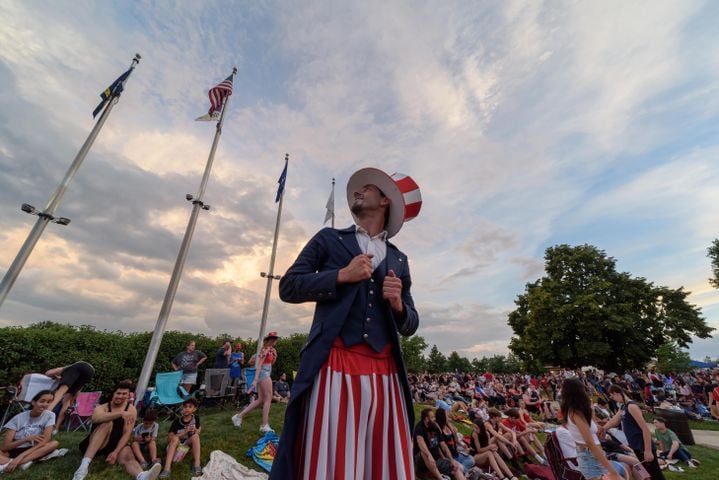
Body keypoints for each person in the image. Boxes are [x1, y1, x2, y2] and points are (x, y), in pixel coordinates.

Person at [269, 167, 422, 480]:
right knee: (334, 461)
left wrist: (397, 305)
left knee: (383, 463)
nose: (357, 191)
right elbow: (288, 286)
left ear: (384, 201)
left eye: (366, 188)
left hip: (385, 373)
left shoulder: (399, 259)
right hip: (334, 363)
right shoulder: (329, 239)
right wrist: (341, 275)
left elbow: (411, 324)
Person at [72, 380, 161, 480]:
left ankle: (141, 476)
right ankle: (83, 468)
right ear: (113, 394)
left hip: (115, 443)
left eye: (124, 394)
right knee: (107, 423)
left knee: (128, 455)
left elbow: (126, 434)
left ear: (128, 396)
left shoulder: (131, 410)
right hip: (97, 443)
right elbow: (96, 418)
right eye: (118, 393)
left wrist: (116, 452)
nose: (120, 396)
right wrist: (120, 414)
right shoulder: (103, 407)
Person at [561, 378, 622, 480]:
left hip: (593, 455)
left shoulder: (577, 410)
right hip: (590, 456)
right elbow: (590, 443)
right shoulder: (575, 412)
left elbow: (594, 428)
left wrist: (592, 411)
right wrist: (612, 471)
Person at [605, 384, 665, 479]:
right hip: (636, 446)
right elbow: (614, 421)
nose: (612, 399)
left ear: (616, 393)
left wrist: (648, 450)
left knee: (655, 474)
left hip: (643, 446)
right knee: (647, 472)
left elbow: (645, 429)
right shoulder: (623, 407)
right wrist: (603, 429)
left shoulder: (631, 406)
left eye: (612, 396)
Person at [0, 390, 60, 474]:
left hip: (34, 449)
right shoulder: (18, 418)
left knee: (54, 443)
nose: (45, 404)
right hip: (15, 449)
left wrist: (20, 457)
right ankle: (23, 462)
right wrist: (26, 439)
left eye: (49, 402)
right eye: (42, 401)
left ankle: (13, 463)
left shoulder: (50, 415)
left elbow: (45, 440)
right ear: (34, 402)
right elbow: (5, 447)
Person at [231, 332, 279, 432]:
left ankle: (238, 417)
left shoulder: (271, 350)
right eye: (273, 339)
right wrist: (255, 380)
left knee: (261, 399)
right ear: (269, 339)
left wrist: (275, 356)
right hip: (264, 374)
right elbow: (259, 365)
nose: (274, 341)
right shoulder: (265, 350)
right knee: (268, 399)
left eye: (275, 339)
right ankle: (264, 425)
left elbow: (270, 363)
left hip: (266, 373)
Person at [414, 408, 466, 480]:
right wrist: (430, 456)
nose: (434, 419)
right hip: (422, 460)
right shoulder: (420, 427)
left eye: (434, 416)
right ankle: (440, 478)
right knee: (424, 453)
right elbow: (421, 444)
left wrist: (451, 460)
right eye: (432, 417)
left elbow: (443, 445)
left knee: (457, 467)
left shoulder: (435, 427)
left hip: (437, 459)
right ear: (426, 419)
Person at [45, 361, 95, 432]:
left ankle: (45, 416)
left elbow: (48, 373)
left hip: (81, 365)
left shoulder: (67, 369)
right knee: (67, 401)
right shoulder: (74, 377)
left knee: (59, 393)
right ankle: (56, 429)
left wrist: (57, 376)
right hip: (90, 373)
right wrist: (73, 399)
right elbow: (78, 391)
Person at [160, 397, 202, 478]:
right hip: (175, 447)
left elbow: (199, 427)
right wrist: (184, 432)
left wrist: (197, 431)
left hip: (185, 446)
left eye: (190, 407)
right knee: (175, 438)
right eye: (185, 406)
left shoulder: (195, 418)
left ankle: (197, 464)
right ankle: (167, 468)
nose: (187, 409)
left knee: (196, 436)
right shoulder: (177, 421)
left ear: (194, 409)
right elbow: (169, 438)